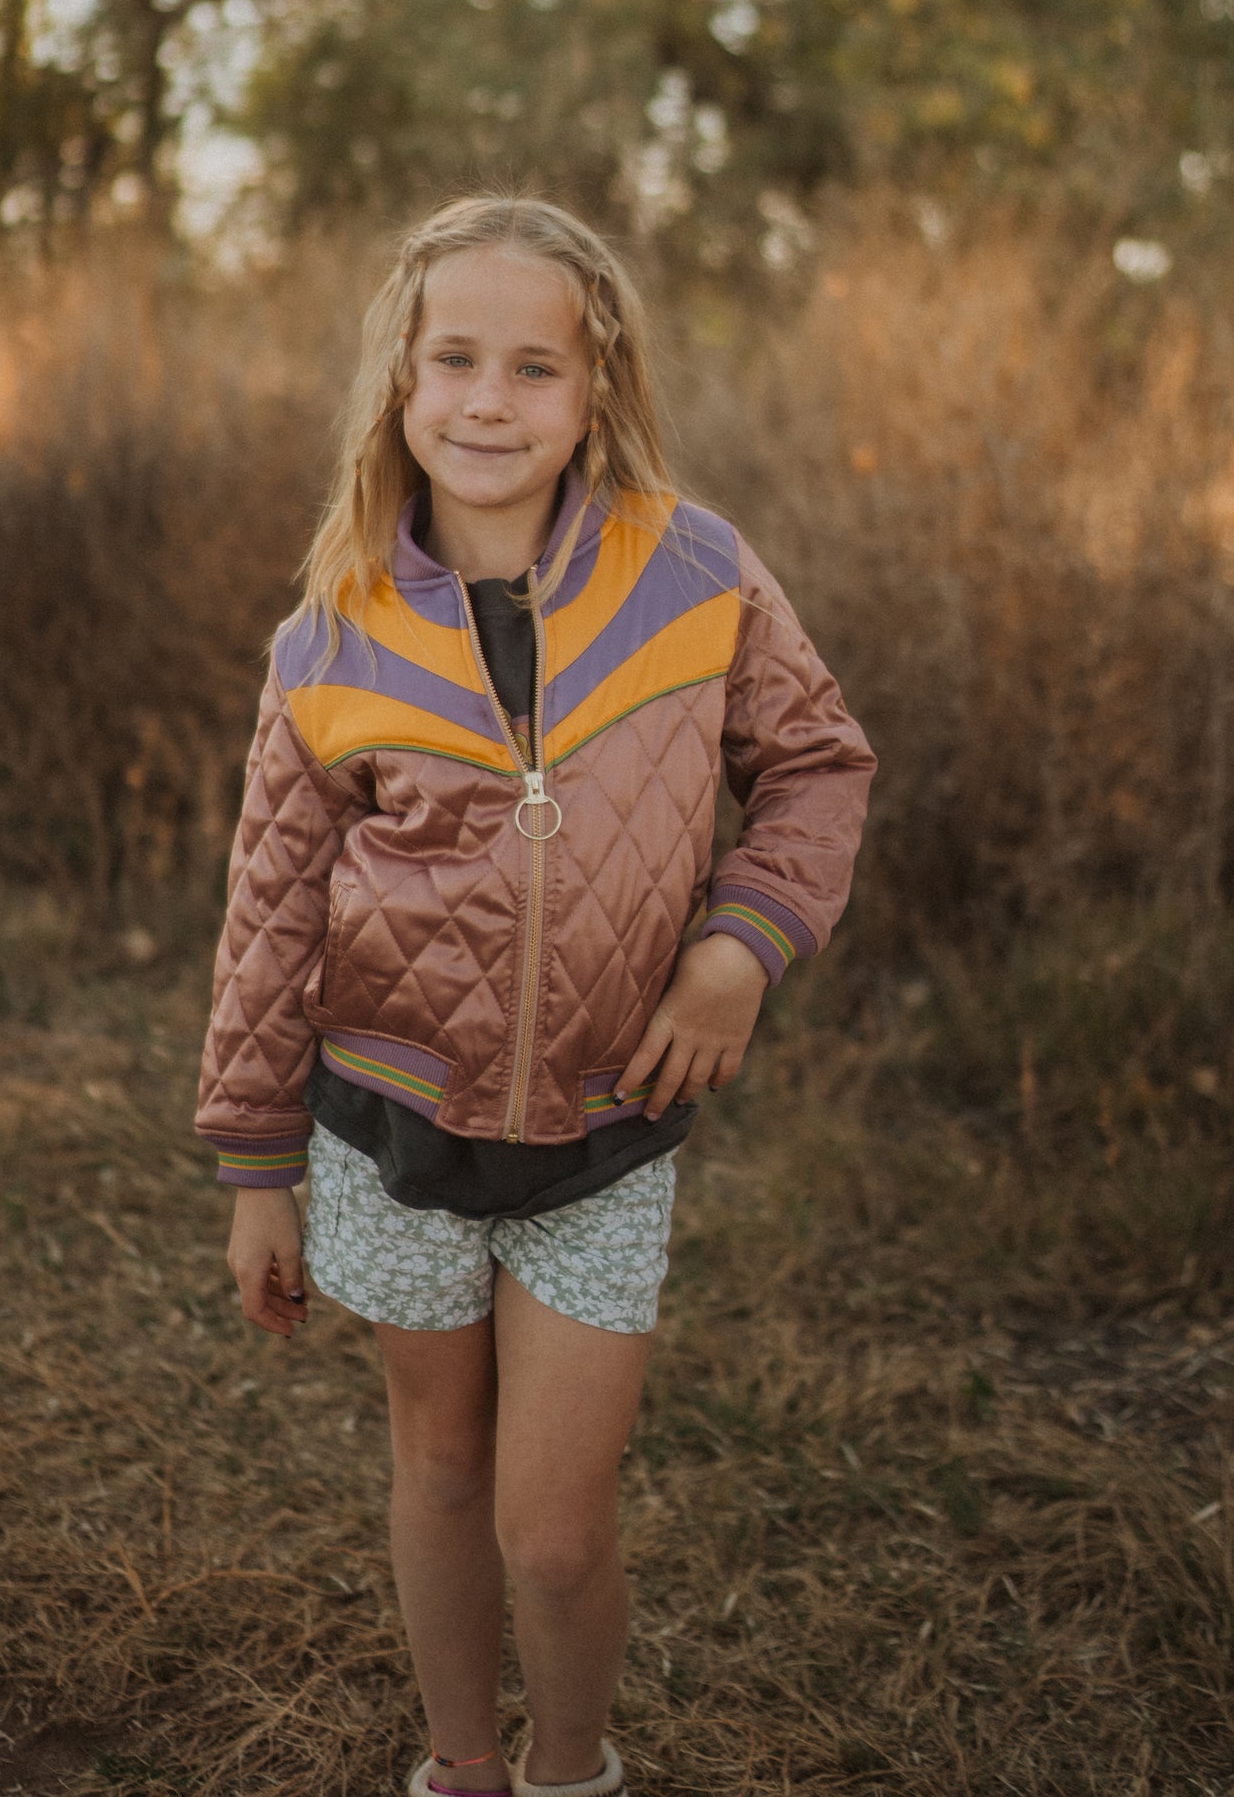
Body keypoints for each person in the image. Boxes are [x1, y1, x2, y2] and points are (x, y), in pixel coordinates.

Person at [196, 195, 875, 1797]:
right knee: (436, 1469)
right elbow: (271, 915)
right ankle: (462, 1768)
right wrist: (256, 1169)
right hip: (389, 1133)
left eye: (532, 369)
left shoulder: (693, 571)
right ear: (401, 382)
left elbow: (818, 767)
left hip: (606, 1133)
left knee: (555, 1534)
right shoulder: (331, 635)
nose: (488, 403)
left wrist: (737, 953)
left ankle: (572, 1772)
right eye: (454, 361)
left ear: (596, 390)